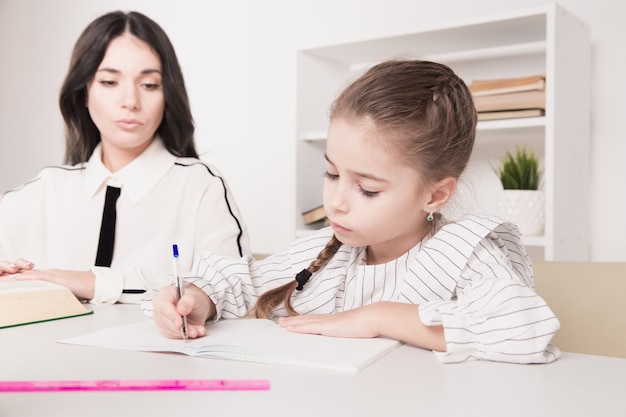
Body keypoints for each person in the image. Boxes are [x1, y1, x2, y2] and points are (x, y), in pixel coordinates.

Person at [145, 59, 561, 364]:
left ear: (434, 196)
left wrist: (377, 317)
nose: (337, 201)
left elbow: (525, 328)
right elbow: (242, 281)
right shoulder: (330, 252)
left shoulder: (465, 254)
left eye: (367, 188)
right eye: (331, 173)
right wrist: (197, 300)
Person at [0, 11, 250, 304]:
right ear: (84, 92)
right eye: (109, 82)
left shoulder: (200, 186)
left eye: (149, 85)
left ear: (168, 94)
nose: (130, 102)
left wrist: (97, 284)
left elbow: (236, 291)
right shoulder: (41, 191)